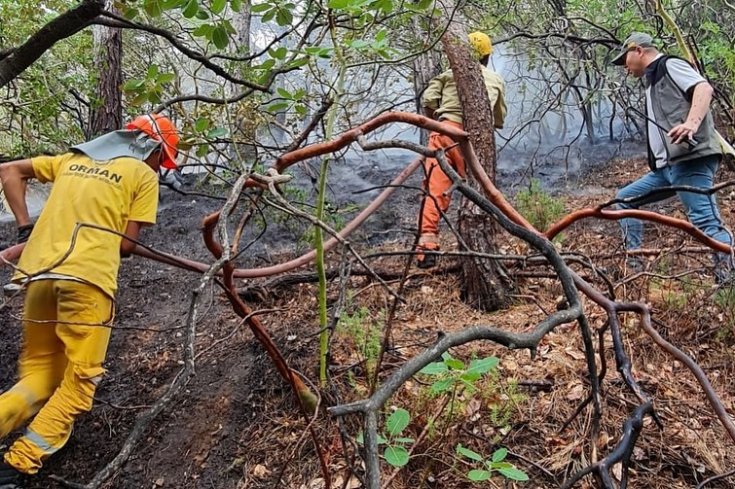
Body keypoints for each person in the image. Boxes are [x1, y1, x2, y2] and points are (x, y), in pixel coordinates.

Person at [0, 113, 180, 488]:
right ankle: (18, 464)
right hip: (86, 283)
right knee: (80, 382)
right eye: (160, 160)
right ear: (150, 148)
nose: (158, 168)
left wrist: (25, 228)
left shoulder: (72, 160)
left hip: (38, 279)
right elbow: (127, 245)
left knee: (39, 375)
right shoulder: (142, 176)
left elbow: (9, 171)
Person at [611, 32, 733, 281]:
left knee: (706, 221)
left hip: (690, 161)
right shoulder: (652, 81)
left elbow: (703, 88)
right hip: (667, 169)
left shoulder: (670, 65)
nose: (625, 67)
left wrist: (691, 123)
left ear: (638, 50)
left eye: (625, 59)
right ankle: (633, 271)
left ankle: (729, 282)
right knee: (624, 200)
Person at [416, 31, 507, 268]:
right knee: (481, 191)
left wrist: (437, 120)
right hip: (476, 143)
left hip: (444, 135)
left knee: (434, 192)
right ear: (487, 56)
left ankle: (427, 248)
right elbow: (498, 119)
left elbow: (427, 101)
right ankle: (487, 241)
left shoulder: (447, 75)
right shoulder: (496, 79)